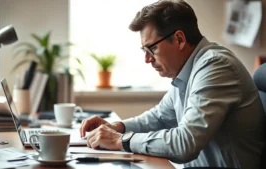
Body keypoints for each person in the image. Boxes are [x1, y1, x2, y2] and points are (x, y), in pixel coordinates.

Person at [80, 0, 265, 168]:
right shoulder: (188, 71)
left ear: (179, 39)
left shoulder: (215, 66)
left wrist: (122, 140)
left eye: (151, 48)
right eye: (144, 50)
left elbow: (185, 143)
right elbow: (159, 118)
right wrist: (116, 127)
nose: (147, 59)